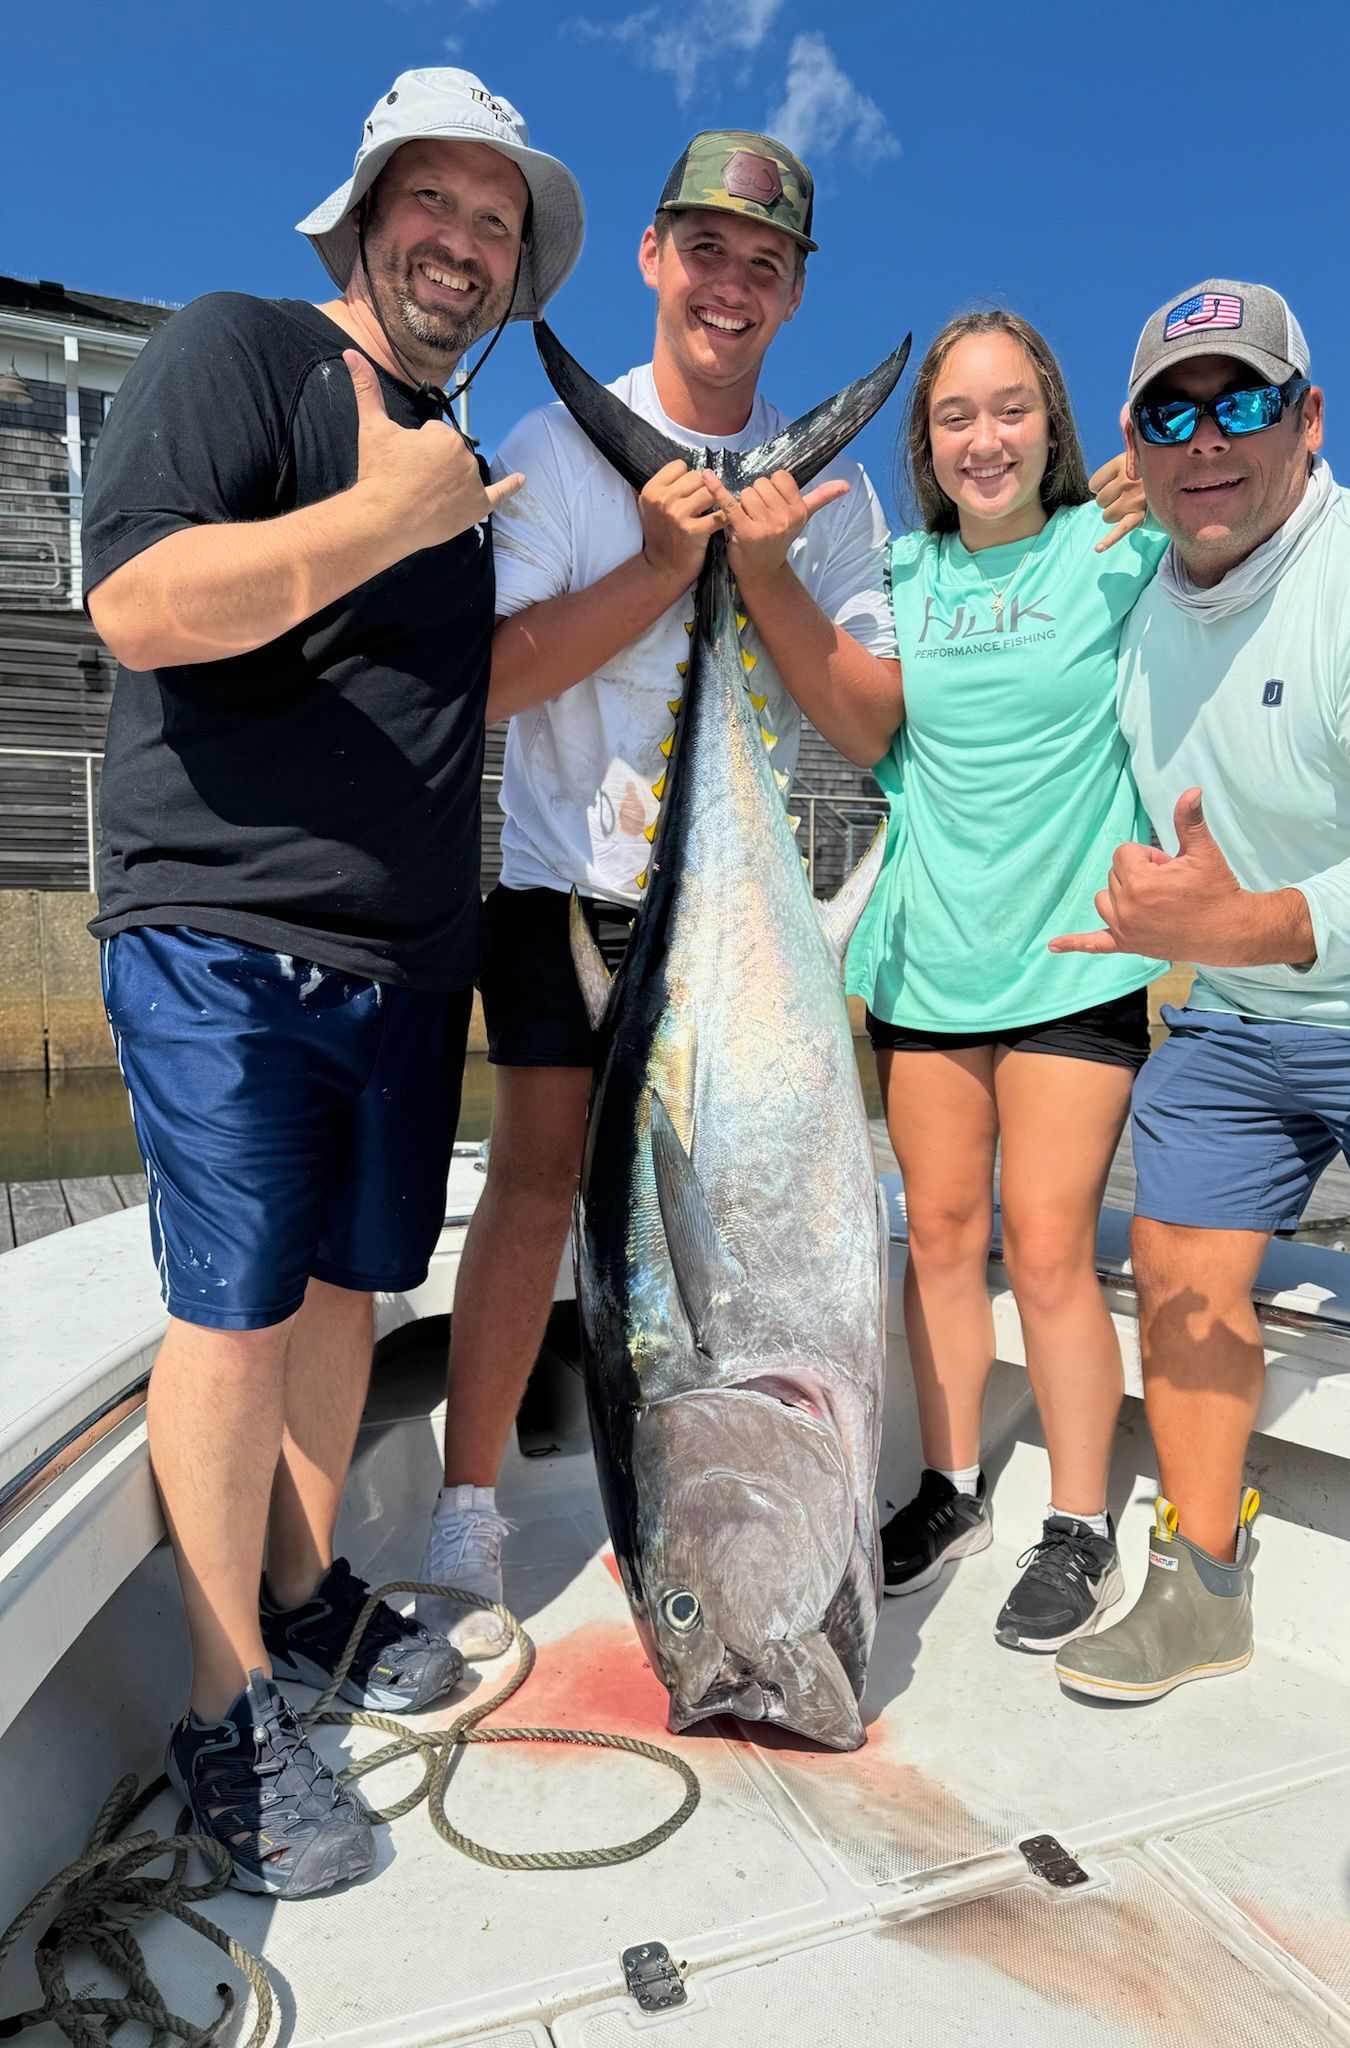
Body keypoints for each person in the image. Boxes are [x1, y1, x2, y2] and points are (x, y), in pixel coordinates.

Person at [81, 68, 583, 1897]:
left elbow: (477, 688)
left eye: (497, 221)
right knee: (229, 1309)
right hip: (220, 928)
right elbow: (137, 605)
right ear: (365, 213)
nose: (462, 242)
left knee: (345, 1297)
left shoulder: (458, 465)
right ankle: (222, 1712)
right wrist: (389, 512)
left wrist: (672, 565)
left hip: (404, 957)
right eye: (435, 205)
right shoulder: (243, 353)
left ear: (520, 268)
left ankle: (302, 1604)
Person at [1050, 278, 1350, 1879]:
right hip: (1249, 1012)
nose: (1206, 440)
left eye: (1241, 401)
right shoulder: (1139, 594)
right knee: (1182, 1273)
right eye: (1170, 411)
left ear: (1308, 420)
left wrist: (1243, 924)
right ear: (1135, 441)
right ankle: (1202, 1573)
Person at [414, 130, 907, 1648]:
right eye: (706, 251)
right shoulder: (557, 455)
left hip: (744, 935)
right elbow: (488, 682)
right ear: (651, 256)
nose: (731, 285)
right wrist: (652, 564)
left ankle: (780, 1490)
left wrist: (757, 572)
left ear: (797, 292)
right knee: (539, 1185)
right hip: (574, 891)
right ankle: (468, 1514)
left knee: (765, 1230)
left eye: (766, 263)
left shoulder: (833, 499)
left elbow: (875, 722)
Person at [843, 310, 1166, 1653]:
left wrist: (1175, 471)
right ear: (925, 443)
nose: (986, 437)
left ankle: (1080, 1522)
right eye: (958, 416)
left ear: (1054, 425)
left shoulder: (1117, 547)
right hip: (923, 959)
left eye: (1011, 409)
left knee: (1045, 1247)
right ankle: (949, 1485)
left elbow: (1254, 531)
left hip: (1073, 958)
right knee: (937, 1243)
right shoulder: (899, 571)